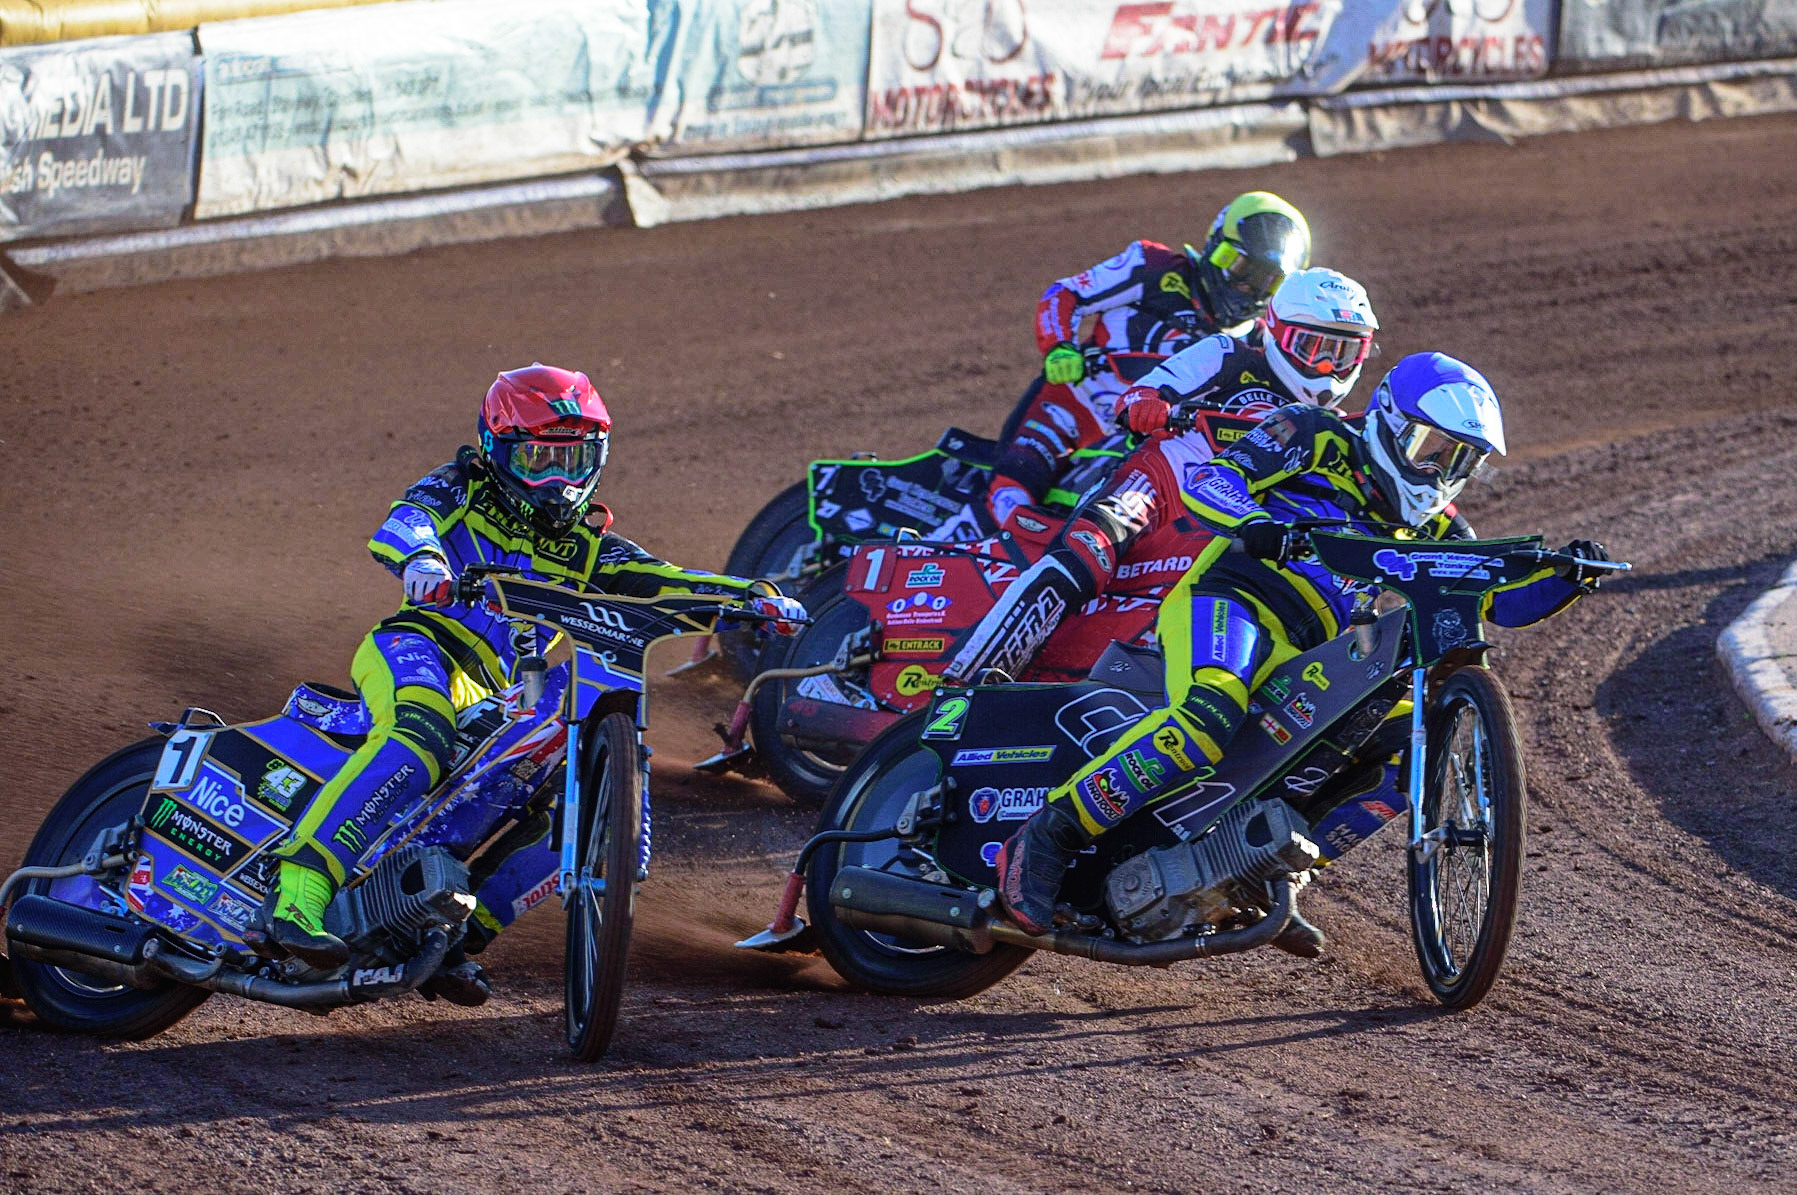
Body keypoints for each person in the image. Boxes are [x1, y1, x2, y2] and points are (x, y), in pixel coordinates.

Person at [991, 352, 1612, 942]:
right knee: (1207, 716)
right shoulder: (1315, 433)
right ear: (1391, 422)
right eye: (1431, 449)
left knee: (1409, 749)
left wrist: (1568, 578)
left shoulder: (1439, 526)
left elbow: (1496, 603)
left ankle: (1264, 873)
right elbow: (1212, 479)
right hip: (1232, 598)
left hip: (1314, 655)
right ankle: (1048, 835)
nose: (1439, 473)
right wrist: (1258, 524)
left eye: (1459, 461)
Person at [259, 364, 804, 988]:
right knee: (420, 735)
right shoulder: (460, 487)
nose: (558, 480)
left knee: (578, 808)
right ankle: (297, 892)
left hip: (504, 689)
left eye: (574, 461)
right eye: (540, 458)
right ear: (497, 448)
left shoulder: (590, 546)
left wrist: (752, 596)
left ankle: (450, 936)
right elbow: (406, 523)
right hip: (418, 646)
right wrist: (423, 560)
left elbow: (666, 580)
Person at [948, 268, 1377, 683]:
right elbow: (1140, 393)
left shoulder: (1330, 427)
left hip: (1227, 520)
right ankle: (969, 673)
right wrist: (1150, 406)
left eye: (1343, 354)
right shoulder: (1227, 354)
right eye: (1313, 348)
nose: (1327, 366)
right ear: (1277, 333)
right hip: (1157, 483)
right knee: (1083, 556)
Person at [987, 191, 1312, 525]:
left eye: (1269, 282)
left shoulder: (1261, 343)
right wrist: (1060, 346)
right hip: (1073, 409)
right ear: (1215, 245)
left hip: (1152, 438)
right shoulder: (1152, 268)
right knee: (1010, 495)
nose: (1249, 287)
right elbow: (1066, 293)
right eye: (1241, 267)